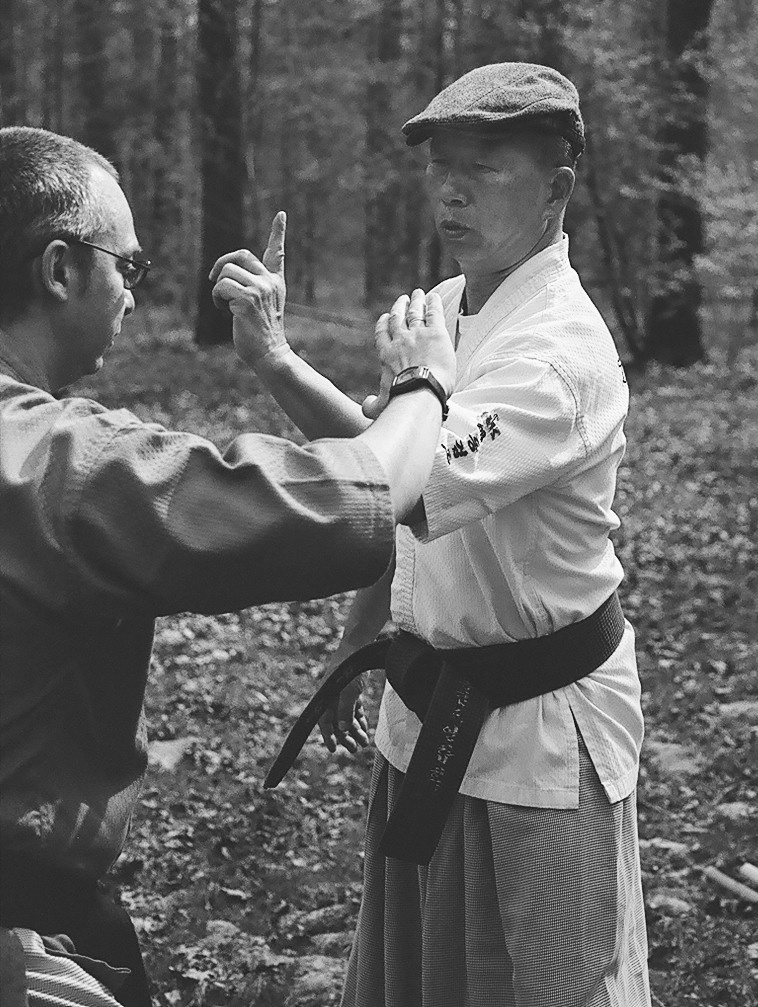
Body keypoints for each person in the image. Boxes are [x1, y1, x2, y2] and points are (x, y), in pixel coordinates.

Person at [0, 125, 455, 1007]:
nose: (134, 296)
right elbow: (342, 496)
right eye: (124, 269)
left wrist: (272, 355)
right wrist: (421, 385)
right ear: (59, 270)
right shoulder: (62, 463)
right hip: (27, 921)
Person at [300, 63, 652, 1006]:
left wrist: (416, 387)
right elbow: (390, 468)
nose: (451, 190)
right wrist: (274, 357)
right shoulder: (455, 308)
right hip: (429, 717)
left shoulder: (559, 354)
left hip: (538, 737)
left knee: (547, 986)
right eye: (441, 167)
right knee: (423, 979)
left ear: (556, 188)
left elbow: (402, 482)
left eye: (485, 168)